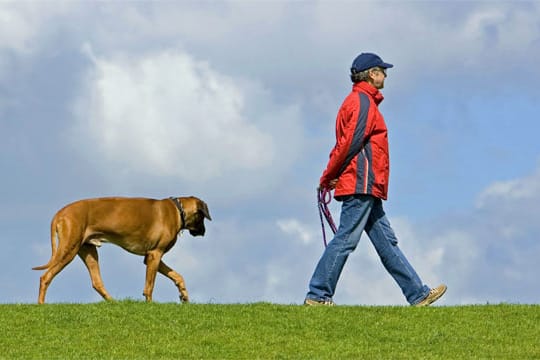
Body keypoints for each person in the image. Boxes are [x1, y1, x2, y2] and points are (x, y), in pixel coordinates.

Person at [304, 52, 446, 306]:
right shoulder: (361, 103)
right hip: (362, 183)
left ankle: (418, 294)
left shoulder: (360, 101)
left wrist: (334, 175)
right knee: (346, 239)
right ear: (372, 73)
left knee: (387, 243)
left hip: (366, 184)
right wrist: (329, 176)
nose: (386, 75)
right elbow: (349, 144)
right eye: (383, 70)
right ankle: (318, 294)